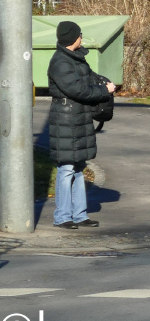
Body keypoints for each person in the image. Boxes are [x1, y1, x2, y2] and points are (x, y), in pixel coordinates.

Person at [47, 21, 115, 230]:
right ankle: (63, 217)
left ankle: (79, 215)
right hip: (66, 119)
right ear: (72, 38)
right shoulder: (60, 62)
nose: (81, 37)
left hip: (78, 117)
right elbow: (78, 90)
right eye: (80, 34)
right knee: (67, 167)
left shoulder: (76, 59)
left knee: (78, 167)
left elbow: (87, 82)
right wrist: (105, 91)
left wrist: (101, 84)